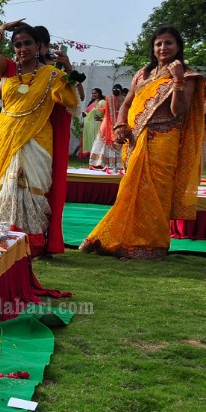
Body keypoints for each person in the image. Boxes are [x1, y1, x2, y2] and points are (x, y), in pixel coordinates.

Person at [81, 27, 204, 259]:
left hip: (164, 140)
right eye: (158, 44)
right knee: (130, 190)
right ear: (153, 48)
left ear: (178, 47)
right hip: (136, 140)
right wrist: (119, 125)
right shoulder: (143, 74)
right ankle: (124, 240)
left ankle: (151, 245)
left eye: (168, 43)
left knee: (156, 193)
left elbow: (179, 111)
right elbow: (126, 104)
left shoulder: (187, 76)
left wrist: (177, 79)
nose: (163, 48)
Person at [0, 20, 80, 252]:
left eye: (27, 43)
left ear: (38, 46)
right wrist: (3, 28)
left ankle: (33, 243)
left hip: (37, 138)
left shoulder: (51, 74)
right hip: (7, 136)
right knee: (9, 186)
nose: (22, 48)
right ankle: (6, 237)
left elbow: (71, 101)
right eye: (17, 44)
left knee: (31, 186)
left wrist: (69, 70)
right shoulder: (8, 71)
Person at [88, 84, 124, 170]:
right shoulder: (124, 99)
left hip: (107, 123)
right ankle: (117, 164)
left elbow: (107, 111)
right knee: (117, 141)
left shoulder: (109, 98)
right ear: (121, 91)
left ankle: (100, 162)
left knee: (103, 142)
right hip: (119, 123)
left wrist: (98, 108)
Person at [79, 88, 106, 160]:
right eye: (92, 93)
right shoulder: (92, 103)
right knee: (89, 140)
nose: (93, 94)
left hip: (96, 125)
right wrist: (83, 122)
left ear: (99, 94)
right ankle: (90, 157)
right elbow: (88, 114)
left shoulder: (102, 102)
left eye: (95, 93)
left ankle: (97, 157)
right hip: (88, 126)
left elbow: (106, 113)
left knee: (95, 140)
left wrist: (101, 119)